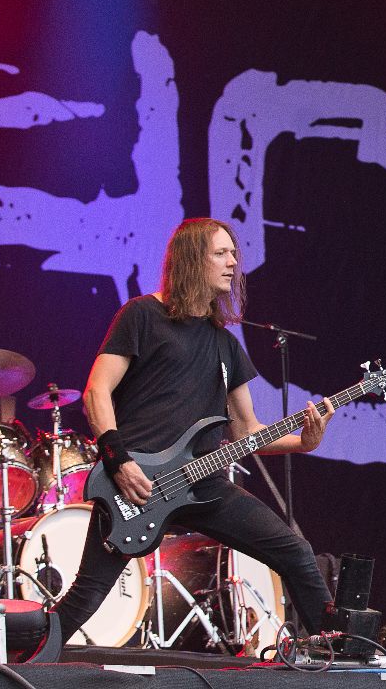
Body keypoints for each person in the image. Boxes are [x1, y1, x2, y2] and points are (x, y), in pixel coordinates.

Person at [51, 218, 334, 641]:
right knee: (87, 595)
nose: (233, 263)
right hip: (137, 484)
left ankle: (338, 655)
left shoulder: (226, 346)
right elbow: (97, 391)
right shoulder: (143, 315)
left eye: (234, 254)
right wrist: (119, 462)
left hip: (204, 484)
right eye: (220, 253)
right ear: (190, 260)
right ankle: (14, 657)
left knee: (295, 551)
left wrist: (304, 442)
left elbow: (247, 431)